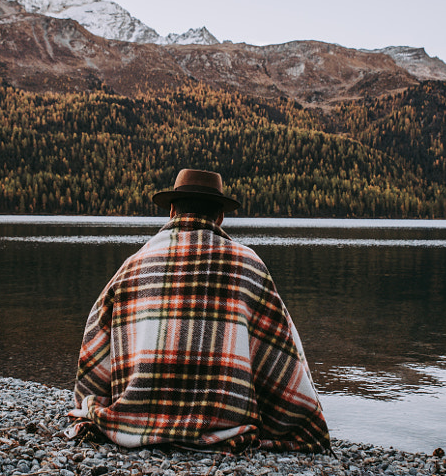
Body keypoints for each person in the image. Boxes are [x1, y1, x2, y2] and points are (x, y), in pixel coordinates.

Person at [65, 169, 330, 452]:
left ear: (171, 211)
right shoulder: (249, 266)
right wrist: (301, 418)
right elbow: (280, 348)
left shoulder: (133, 265)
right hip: (222, 425)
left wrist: (92, 398)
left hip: (135, 420)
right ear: (220, 217)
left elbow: (95, 336)